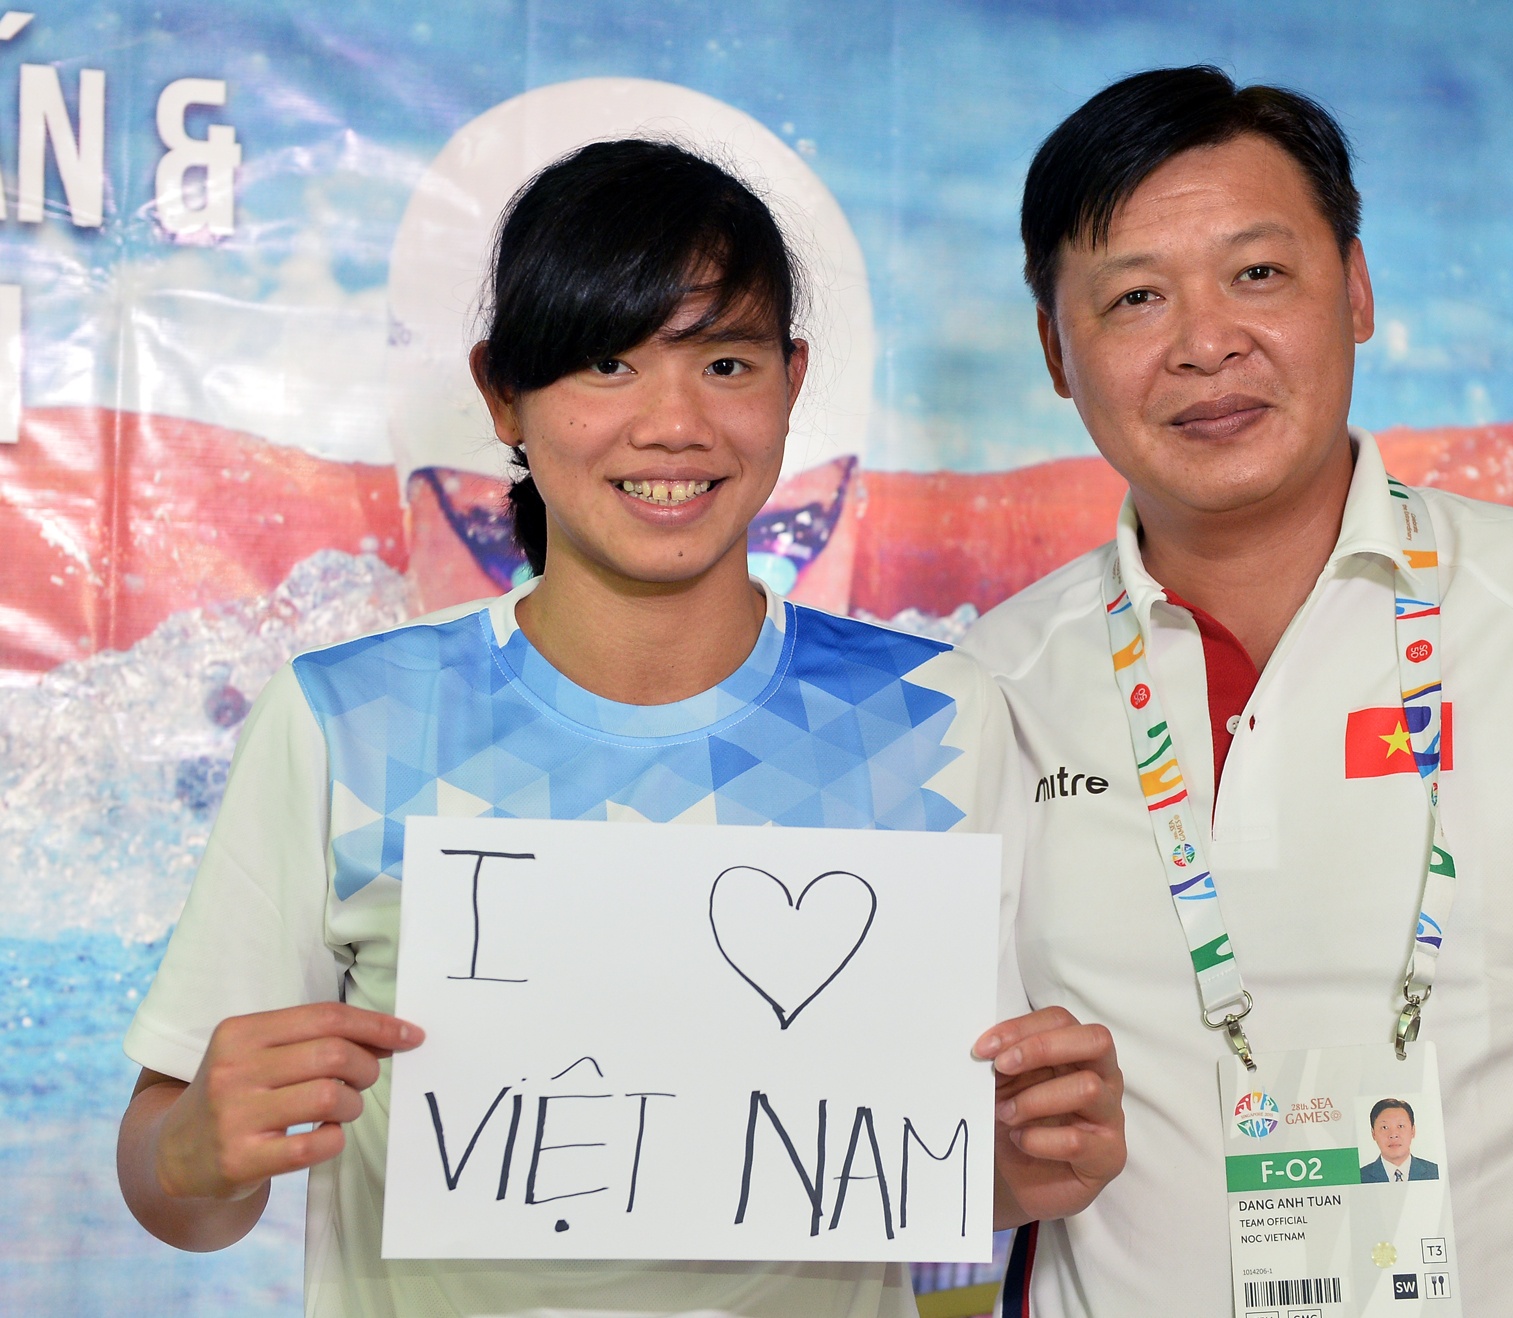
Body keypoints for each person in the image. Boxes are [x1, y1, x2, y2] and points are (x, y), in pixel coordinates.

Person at [115, 139, 1126, 1318]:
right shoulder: (349, 718)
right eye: (608, 362)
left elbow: (926, 1167)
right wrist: (195, 1149)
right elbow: (178, 1189)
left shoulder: (934, 716)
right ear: (503, 391)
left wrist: (1036, 1161)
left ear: (792, 381)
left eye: (726, 362)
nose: (673, 424)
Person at [960, 66, 1513, 1318]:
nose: (1206, 341)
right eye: (1135, 297)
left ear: (1359, 289)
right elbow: (926, 1145)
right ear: (1058, 352)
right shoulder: (986, 688)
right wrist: (993, 1177)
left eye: (1258, 273)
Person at [1360, 1098, 1438, 1184]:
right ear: (1373, 1133)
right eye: (1385, 1127)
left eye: (1400, 1126)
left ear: (1413, 1131)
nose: (1393, 1135)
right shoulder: (1360, 1177)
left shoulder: (1434, 1172)